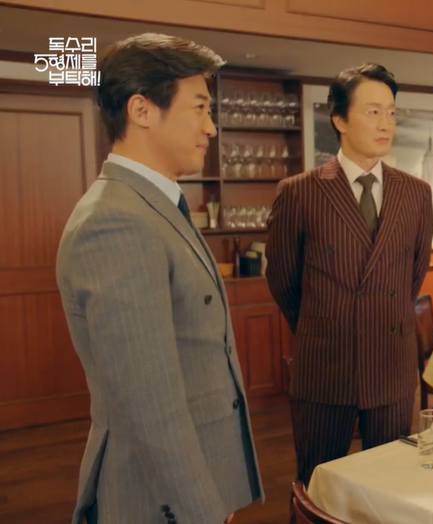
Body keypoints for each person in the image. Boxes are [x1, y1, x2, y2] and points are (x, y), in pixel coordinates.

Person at [56, 33, 264, 524]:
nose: (211, 127)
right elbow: (151, 405)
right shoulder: (116, 221)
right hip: (158, 499)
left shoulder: (153, 203)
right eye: (199, 108)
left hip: (195, 477)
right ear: (142, 110)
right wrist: (201, 511)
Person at [265, 63, 433, 488]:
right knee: (318, 485)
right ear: (339, 119)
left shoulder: (416, 192)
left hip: (391, 366)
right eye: (372, 112)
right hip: (325, 366)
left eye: (391, 113)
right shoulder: (300, 192)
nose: (385, 124)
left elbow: (413, 275)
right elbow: (283, 279)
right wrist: (326, 324)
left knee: (392, 487)